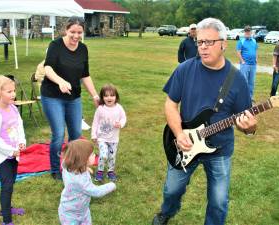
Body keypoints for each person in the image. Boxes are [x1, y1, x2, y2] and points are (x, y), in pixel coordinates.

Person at [152, 18, 258, 225]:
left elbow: (245, 120)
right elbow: (170, 105)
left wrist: (250, 128)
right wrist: (179, 134)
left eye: (209, 42)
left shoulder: (237, 80)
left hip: (220, 150)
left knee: (218, 202)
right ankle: (166, 212)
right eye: (200, 42)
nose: (203, 47)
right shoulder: (185, 69)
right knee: (172, 190)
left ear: (223, 44)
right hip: (185, 143)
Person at [41, 16, 100, 180]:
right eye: (72, 32)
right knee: (59, 134)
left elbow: (85, 74)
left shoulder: (83, 49)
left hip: (73, 98)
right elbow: (48, 68)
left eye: (79, 32)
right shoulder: (55, 45)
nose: (75, 36)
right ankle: (55, 170)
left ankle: (75, 166)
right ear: (66, 30)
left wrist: (94, 95)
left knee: (75, 133)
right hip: (52, 96)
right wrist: (60, 81)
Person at [0, 75, 26, 225]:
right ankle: (6, 220)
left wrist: (21, 142)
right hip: (3, 157)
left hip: (14, 154)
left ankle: (7, 207)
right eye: (9, 92)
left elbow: (19, 126)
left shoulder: (13, 108)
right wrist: (10, 151)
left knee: (11, 181)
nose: (13, 94)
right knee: (7, 186)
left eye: (13, 90)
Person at [58, 139, 116, 225]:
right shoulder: (80, 181)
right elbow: (96, 192)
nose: (94, 155)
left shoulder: (67, 165)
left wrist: (85, 167)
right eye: (92, 154)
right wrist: (112, 185)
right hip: (71, 215)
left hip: (81, 210)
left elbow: (72, 163)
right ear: (83, 160)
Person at [91, 84, 127, 182]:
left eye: (112, 95)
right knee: (103, 155)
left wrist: (121, 124)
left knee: (112, 156)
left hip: (114, 139)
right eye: (106, 96)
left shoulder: (119, 108)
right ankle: (99, 171)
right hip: (102, 138)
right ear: (102, 97)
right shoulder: (100, 109)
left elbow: (124, 118)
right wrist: (94, 135)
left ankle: (110, 171)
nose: (109, 98)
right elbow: (95, 122)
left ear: (116, 97)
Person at [236, 25, 258, 100]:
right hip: (245, 65)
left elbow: (256, 50)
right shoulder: (241, 41)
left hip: (253, 65)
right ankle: (243, 97)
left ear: (251, 32)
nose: (248, 33)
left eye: (249, 31)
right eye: (246, 31)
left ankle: (250, 97)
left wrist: (256, 59)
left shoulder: (254, 41)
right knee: (244, 82)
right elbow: (238, 52)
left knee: (251, 82)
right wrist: (242, 61)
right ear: (244, 32)